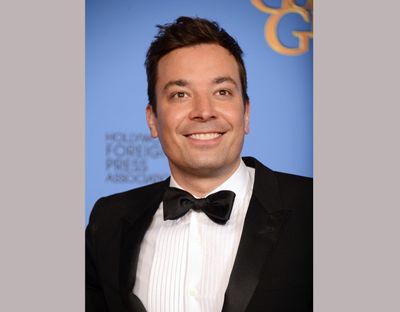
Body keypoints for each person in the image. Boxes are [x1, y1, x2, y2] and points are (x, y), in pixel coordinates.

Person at [86, 16, 312, 312]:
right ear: (152, 120)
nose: (204, 112)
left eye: (222, 92)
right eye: (180, 95)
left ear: (245, 113)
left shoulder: (316, 208)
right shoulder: (109, 221)